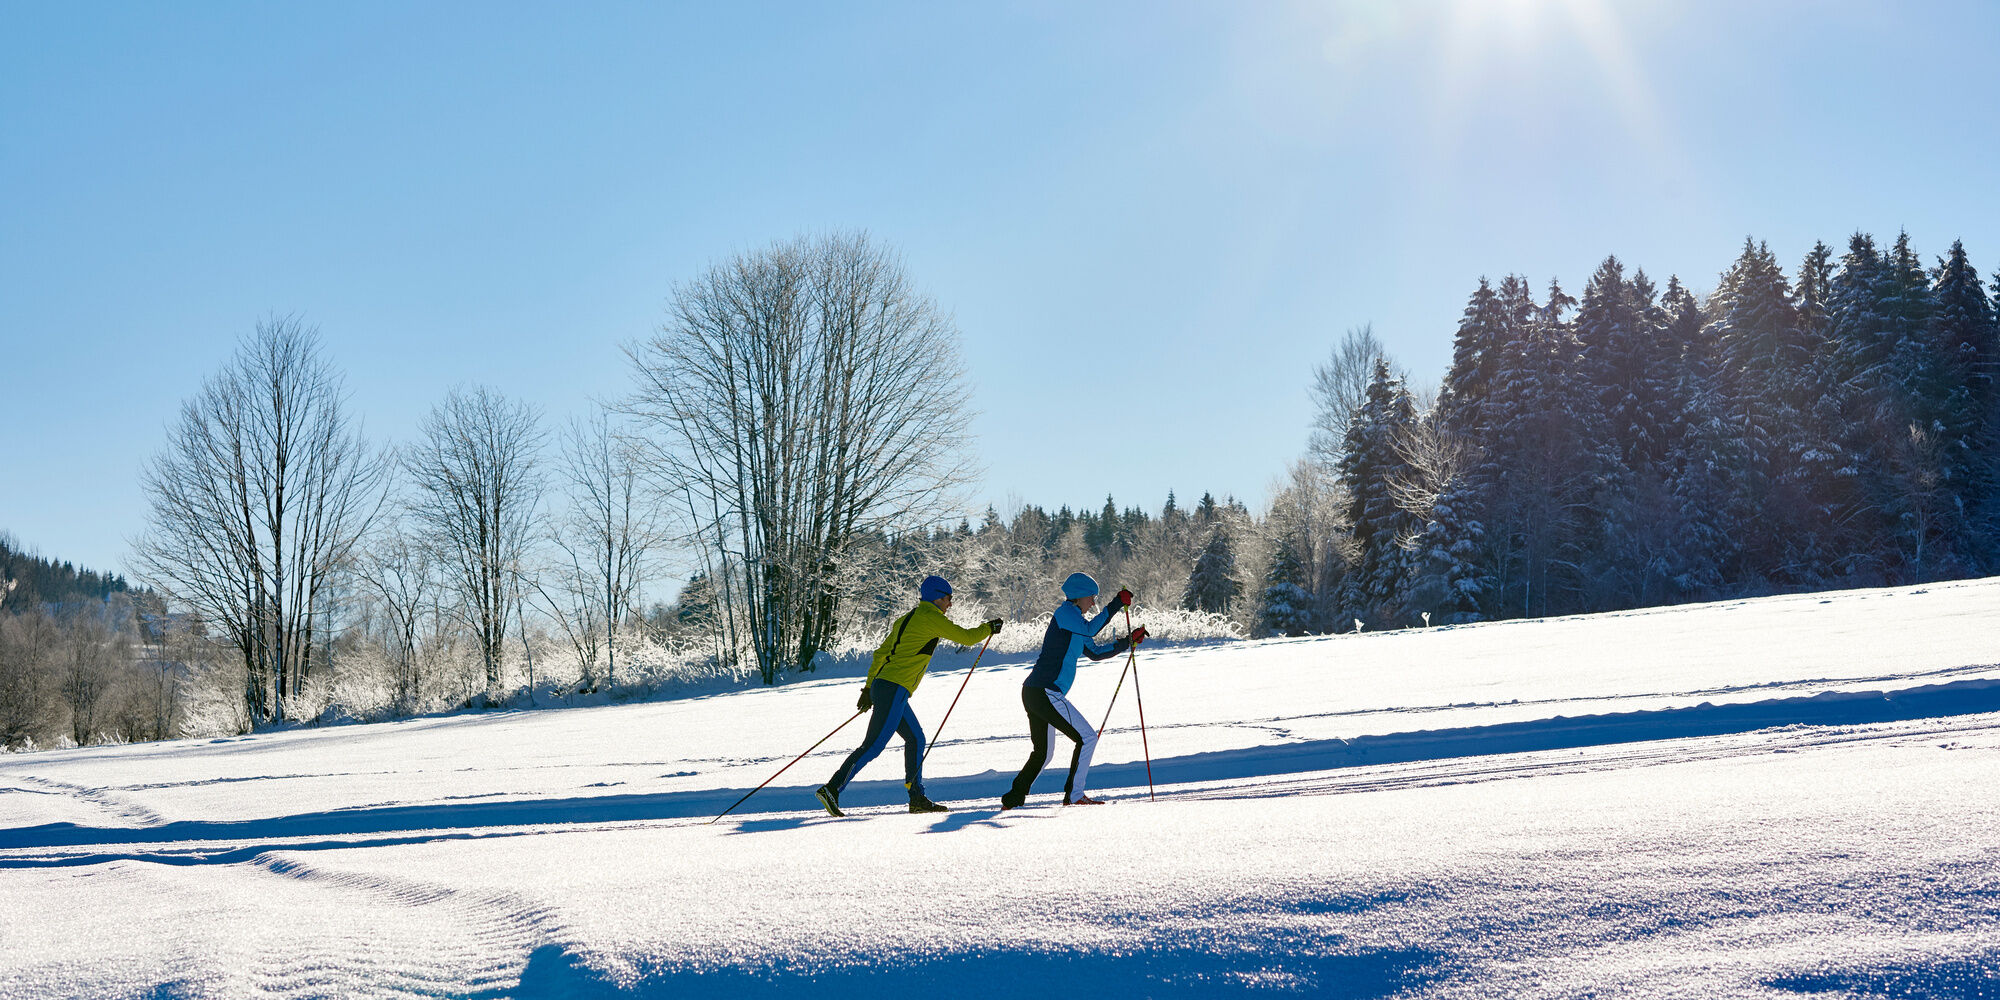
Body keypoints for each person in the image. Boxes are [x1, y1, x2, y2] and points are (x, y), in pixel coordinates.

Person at [815, 574, 1001, 817]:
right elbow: (966, 637)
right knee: (873, 746)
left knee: (916, 738)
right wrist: (989, 628)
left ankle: (917, 798)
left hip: (887, 686)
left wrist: (869, 688)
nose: (950, 604)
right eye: (948, 598)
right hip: (894, 688)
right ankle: (832, 788)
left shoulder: (908, 618)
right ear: (937, 597)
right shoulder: (931, 617)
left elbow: (881, 653)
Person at [1000, 572, 1147, 809]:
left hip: (1037, 691)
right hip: (1045, 691)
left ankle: (1012, 799)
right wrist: (1116, 604)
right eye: (1092, 597)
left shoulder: (1076, 623)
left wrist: (1126, 642)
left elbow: (1095, 652)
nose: (1093, 603)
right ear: (1078, 596)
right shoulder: (1066, 613)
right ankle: (1075, 795)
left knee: (1043, 753)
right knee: (1087, 737)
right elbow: (1091, 630)